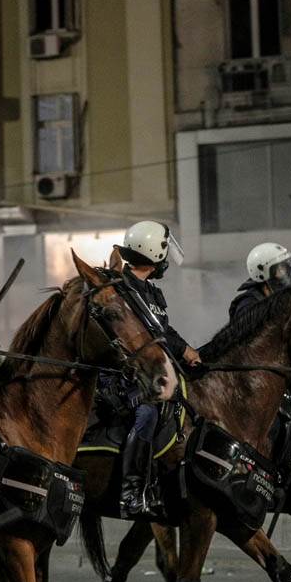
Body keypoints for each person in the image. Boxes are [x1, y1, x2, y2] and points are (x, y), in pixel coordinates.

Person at [112, 220, 200, 519]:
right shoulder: (120, 289)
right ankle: (131, 492)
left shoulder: (150, 292)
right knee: (147, 414)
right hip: (124, 376)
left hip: (154, 371)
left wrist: (188, 351)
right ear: (153, 254)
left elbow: (163, 331)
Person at [229, 242, 291, 320]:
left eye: (287, 267)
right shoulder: (247, 307)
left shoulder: (285, 298)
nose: (287, 273)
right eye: (280, 269)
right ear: (262, 273)